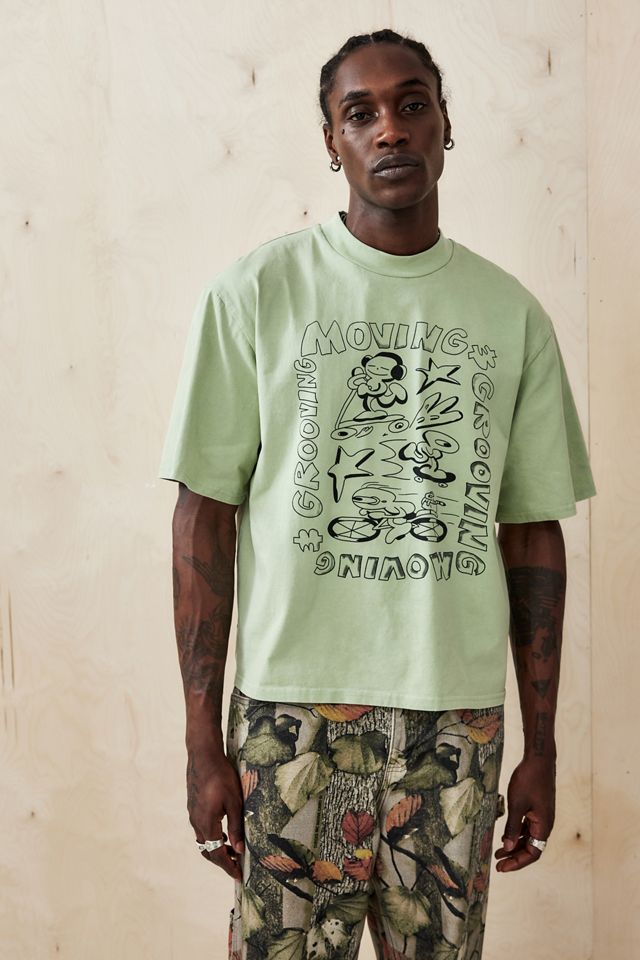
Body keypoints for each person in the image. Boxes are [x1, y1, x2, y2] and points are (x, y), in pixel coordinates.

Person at [158, 28, 596, 960]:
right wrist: (201, 739)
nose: (390, 129)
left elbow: (532, 534)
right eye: (360, 113)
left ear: (446, 126)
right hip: (290, 714)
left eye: (412, 105)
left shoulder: (511, 315)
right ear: (332, 141)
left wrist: (543, 746)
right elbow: (204, 516)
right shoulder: (256, 294)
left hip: (457, 719)